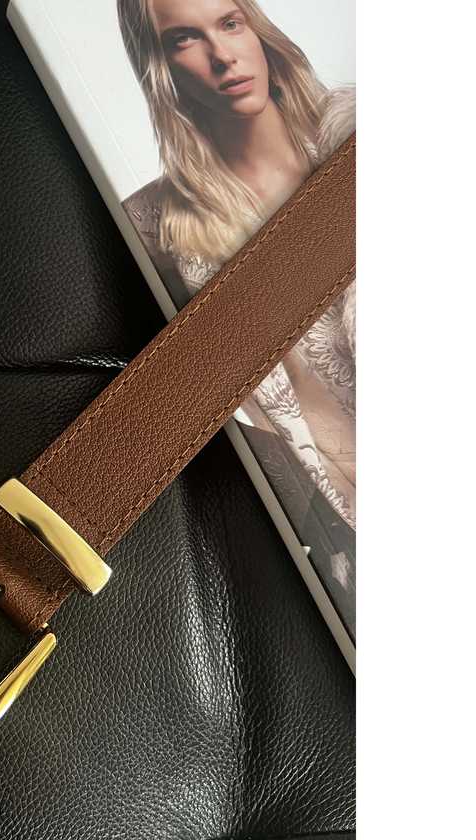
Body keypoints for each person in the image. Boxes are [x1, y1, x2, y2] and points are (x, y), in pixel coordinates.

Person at [118, 0, 355, 613]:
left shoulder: (358, 136)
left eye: (229, 23)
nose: (223, 56)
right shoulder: (152, 230)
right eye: (184, 40)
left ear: (256, 29)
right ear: (159, 66)